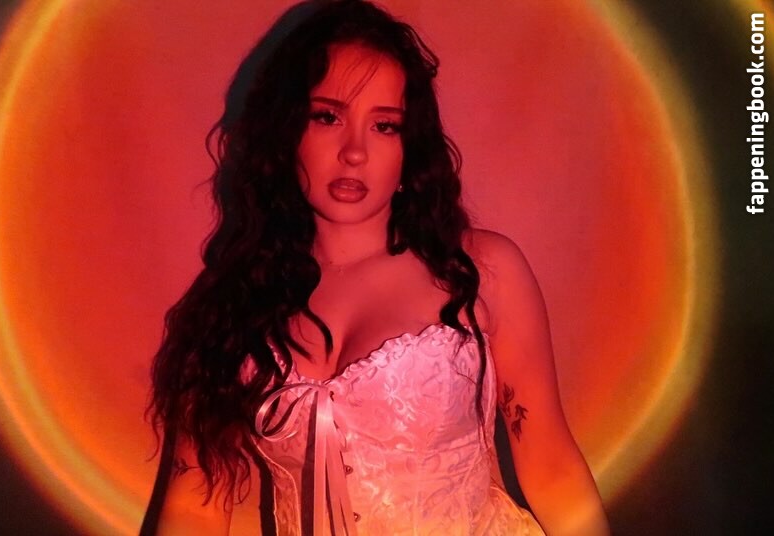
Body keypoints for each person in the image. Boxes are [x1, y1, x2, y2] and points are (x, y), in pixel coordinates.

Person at [142, 1, 610, 535]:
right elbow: (196, 505)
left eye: (385, 126)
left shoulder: (482, 271)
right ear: (286, 131)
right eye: (328, 117)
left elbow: (551, 467)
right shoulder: (231, 304)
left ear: (410, 148)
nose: (355, 152)